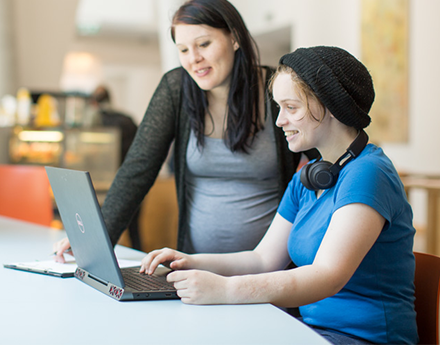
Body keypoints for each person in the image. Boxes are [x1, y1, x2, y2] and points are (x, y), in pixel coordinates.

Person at [139, 46, 418, 345]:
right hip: (313, 332)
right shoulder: (307, 178)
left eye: (291, 107)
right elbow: (261, 260)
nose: (279, 121)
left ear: (332, 105)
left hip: (365, 339)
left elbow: (328, 275)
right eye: (278, 107)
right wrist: (192, 262)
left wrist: (226, 290)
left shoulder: (368, 173)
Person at [54, 0, 316, 260]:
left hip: (269, 269)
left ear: (235, 38)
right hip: (195, 267)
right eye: (183, 50)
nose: (194, 59)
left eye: (203, 44)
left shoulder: (276, 87)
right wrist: (96, 240)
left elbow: (324, 154)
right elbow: (137, 169)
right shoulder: (176, 88)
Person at [89, 85, 141, 250]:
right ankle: (141, 261)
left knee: (105, 225)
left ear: (94, 103)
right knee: (134, 228)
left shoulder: (97, 121)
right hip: (135, 178)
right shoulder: (127, 119)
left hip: (109, 181)